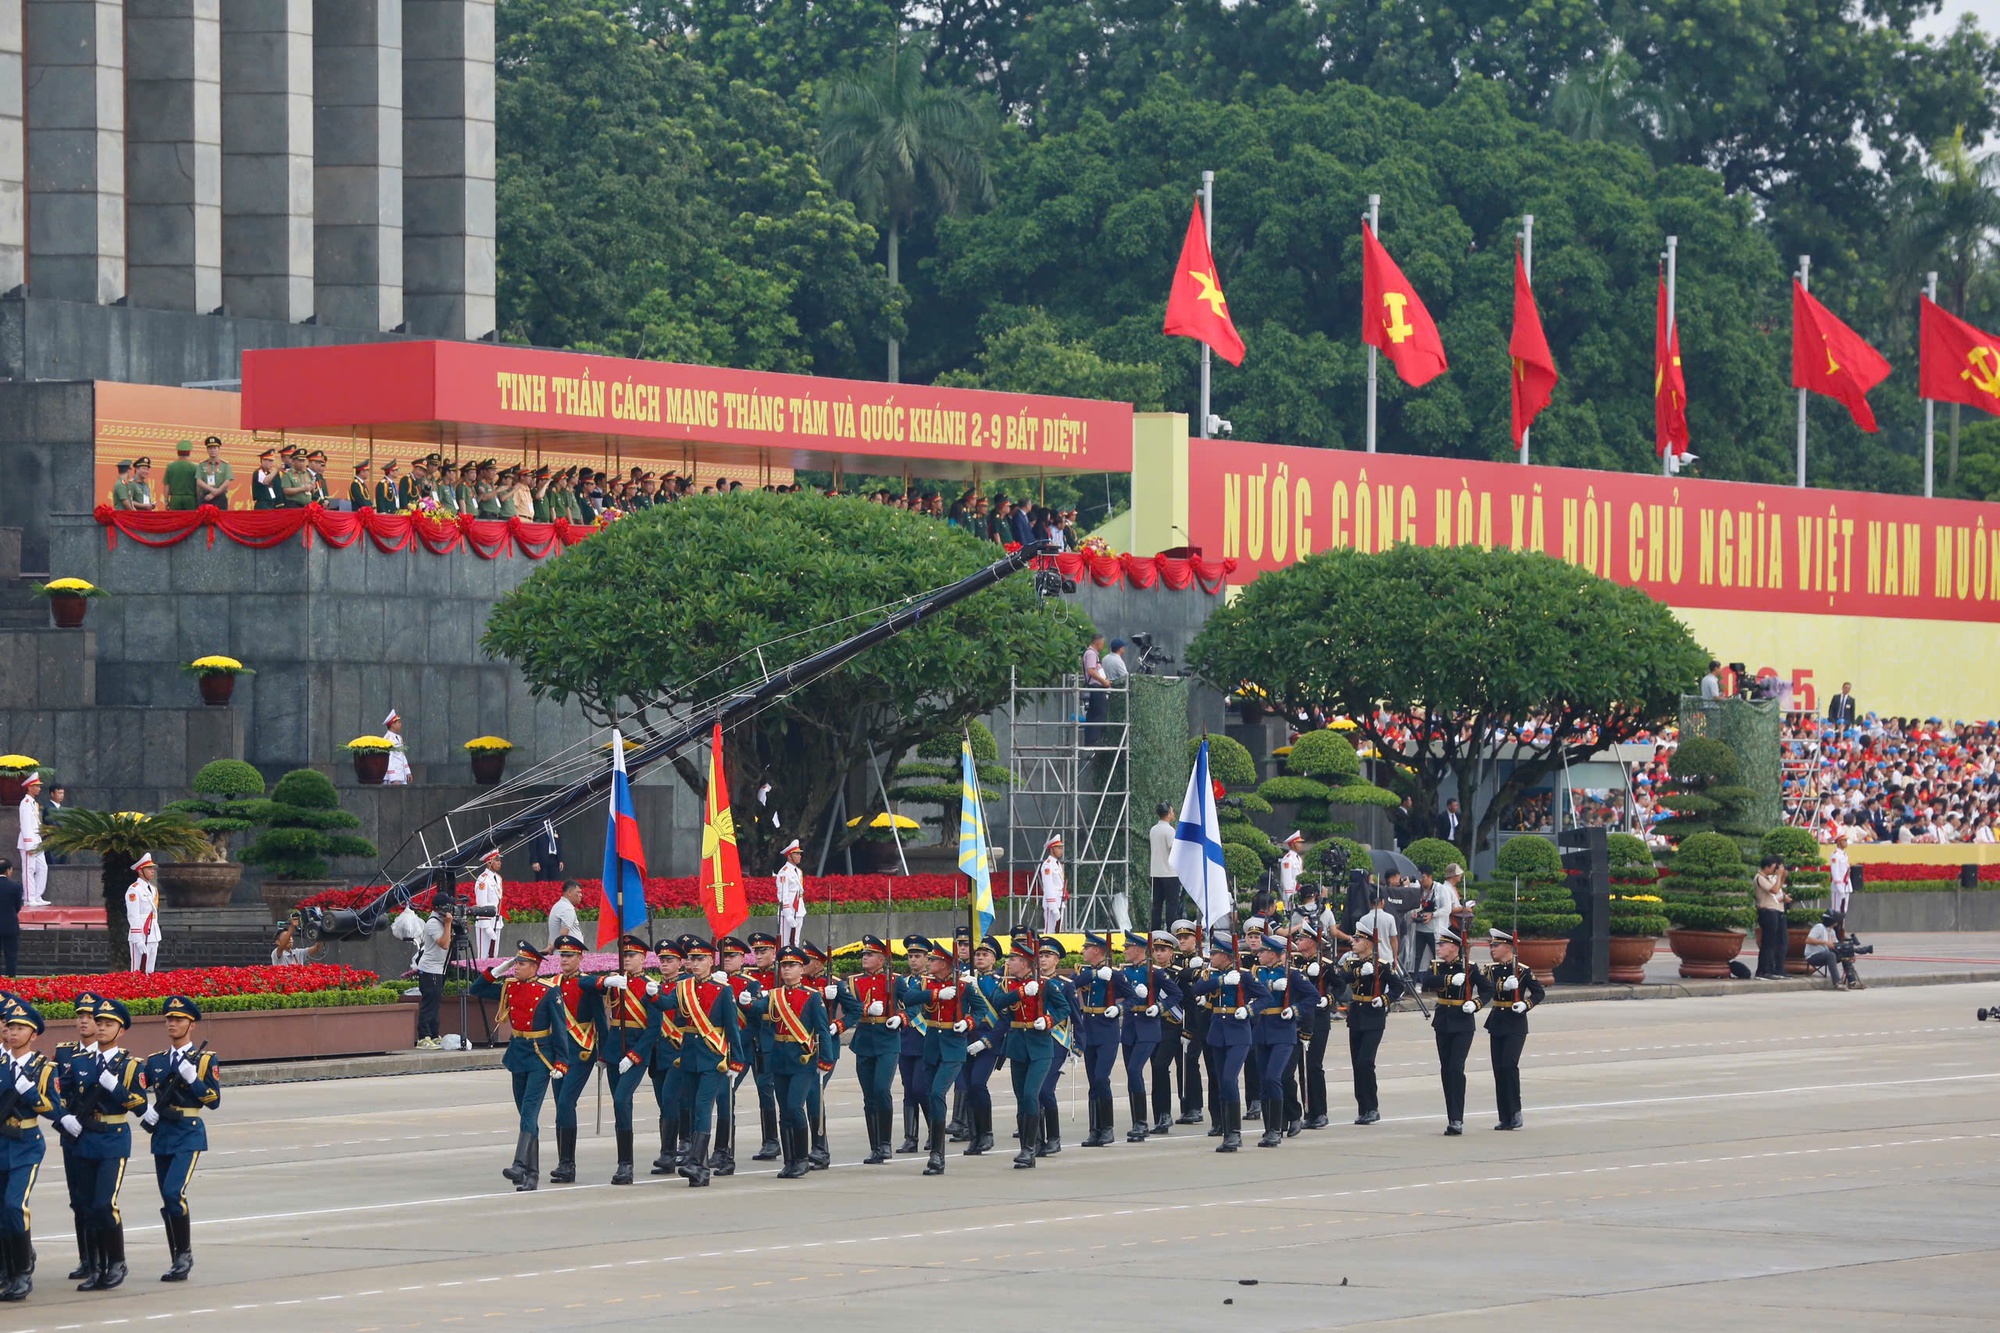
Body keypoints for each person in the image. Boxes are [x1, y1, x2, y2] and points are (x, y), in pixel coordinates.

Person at [468, 942, 571, 1191]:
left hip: (540, 1057)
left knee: (529, 1112)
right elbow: (476, 990)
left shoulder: (549, 991)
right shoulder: (510, 987)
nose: (516, 968)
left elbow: (560, 1028)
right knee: (525, 1115)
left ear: (534, 967)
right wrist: (496, 971)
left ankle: (519, 1165)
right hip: (518, 1054)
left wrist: (562, 1061)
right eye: (515, 963)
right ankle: (531, 1175)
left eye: (521, 964)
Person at [63, 996, 148, 1292]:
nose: (100, 1027)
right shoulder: (79, 1062)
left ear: (121, 1030)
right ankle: (96, 1268)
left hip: (113, 1139)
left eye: (107, 1023)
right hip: (85, 1137)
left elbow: (139, 1102)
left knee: (104, 1203)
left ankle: (117, 1263)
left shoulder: (130, 1065)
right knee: (87, 1206)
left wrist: (118, 1088)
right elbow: (66, 1095)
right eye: (99, 1022)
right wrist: (64, 1118)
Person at [141, 995, 220, 1282]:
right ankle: (176, 1257)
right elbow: (138, 1090)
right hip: (162, 1132)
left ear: (192, 1025)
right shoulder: (156, 1061)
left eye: (178, 1020)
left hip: (188, 1132)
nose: (172, 1024)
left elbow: (213, 1100)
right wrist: (145, 1109)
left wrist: (193, 1079)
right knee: (166, 1198)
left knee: (175, 1192)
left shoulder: (204, 1060)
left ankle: (184, 1254)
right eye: (169, 1019)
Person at [740, 944, 834, 1179]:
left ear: (801, 969)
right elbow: (758, 1009)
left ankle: (802, 1158)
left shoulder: (812, 997)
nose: (787, 970)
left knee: (794, 1107)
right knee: (784, 1112)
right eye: (783, 965)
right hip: (780, 1058)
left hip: (803, 1060)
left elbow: (822, 1029)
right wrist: (746, 1003)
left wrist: (826, 1060)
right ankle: (790, 1160)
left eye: (792, 965)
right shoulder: (774, 995)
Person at [655, 938, 744, 1188]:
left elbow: (732, 1028)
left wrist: (736, 1061)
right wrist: (652, 996)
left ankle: (695, 1162)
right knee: (693, 1108)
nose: (695, 963)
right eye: (692, 959)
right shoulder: (683, 988)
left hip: (713, 1058)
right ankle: (700, 1168)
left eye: (700, 959)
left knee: (703, 1107)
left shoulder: (722, 990)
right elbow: (667, 1005)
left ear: (711, 962)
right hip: (690, 1056)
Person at [989, 931, 1068, 1167]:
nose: (1008, 963)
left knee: (1032, 1094)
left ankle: (1029, 1148)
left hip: (1041, 1046)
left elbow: (1064, 1009)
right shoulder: (1006, 984)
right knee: (1021, 1098)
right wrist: (1022, 992)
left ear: (1024, 963)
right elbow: (997, 1002)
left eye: (1013, 959)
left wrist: (1049, 1020)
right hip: (1017, 1046)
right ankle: (1026, 1148)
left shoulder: (1046, 985)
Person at [0, 993, 60, 1302]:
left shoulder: (44, 1069)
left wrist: (30, 1094)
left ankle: (23, 1273)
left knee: (14, 1205)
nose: (12, 1033)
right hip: (1, 1143)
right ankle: (7, 1271)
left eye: (20, 1028)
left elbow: (54, 1110)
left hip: (26, 1144)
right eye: (9, 1027)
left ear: (33, 1034)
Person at [580, 934, 652, 1184]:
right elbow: (584, 984)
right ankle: (624, 1163)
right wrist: (606, 980)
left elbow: (653, 1029)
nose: (627, 959)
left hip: (636, 1049)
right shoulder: (615, 982)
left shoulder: (649, 986)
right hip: (614, 1049)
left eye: (631, 956)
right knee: (620, 1106)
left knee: (622, 1099)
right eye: (624, 955)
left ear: (642, 958)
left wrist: (634, 1056)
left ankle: (626, 1164)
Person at [1189, 933, 1270, 1152]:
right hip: (1218, 1032)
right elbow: (1196, 990)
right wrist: (1221, 980)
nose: (1210, 957)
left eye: (1214, 954)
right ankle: (1226, 1132)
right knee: (1221, 1083)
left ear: (1225, 956)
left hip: (1239, 1033)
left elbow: (1266, 998)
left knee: (1228, 1079)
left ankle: (1234, 1133)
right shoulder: (1210, 974)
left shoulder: (1244, 976)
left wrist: (1249, 1010)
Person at [542, 935, 602, 1185]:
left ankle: (568, 1164)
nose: (564, 960)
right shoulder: (552, 984)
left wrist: (605, 1053)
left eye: (569, 956)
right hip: (558, 1054)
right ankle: (563, 1162)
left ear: (580, 958)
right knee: (560, 1106)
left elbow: (600, 1019)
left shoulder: (588, 984)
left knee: (566, 1102)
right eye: (562, 956)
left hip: (581, 1051)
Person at [1071, 931, 1138, 1148]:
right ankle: (1094, 1130)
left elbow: (1133, 997)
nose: (1083, 951)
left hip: (1107, 1031)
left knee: (1101, 1077)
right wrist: (1092, 976)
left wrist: (1118, 1008)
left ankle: (1107, 1128)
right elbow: (1071, 986)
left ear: (1097, 951)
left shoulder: (1116, 975)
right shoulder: (1084, 972)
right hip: (1089, 1028)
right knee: (1093, 1082)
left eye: (1086, 948)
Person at [1249, 933, 1317, 1146]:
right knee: (1263, 1081)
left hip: (1283, 1032)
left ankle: (1277, 1128)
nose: (1258, 954)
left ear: (1272, 954)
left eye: (1262, 951)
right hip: (1262, 1030)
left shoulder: (1292, 974)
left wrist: (1295, 1010)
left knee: (1273, 1077)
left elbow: (1313, 997)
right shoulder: (1255, 972)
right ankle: (1269, 1127)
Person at [52, 993, 99, 1284]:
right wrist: (62, 1119)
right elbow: (54, 1091)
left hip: (97, 1131)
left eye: (90, 1017)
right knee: (78, 1200)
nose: (83, 1021)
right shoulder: (64, 1053)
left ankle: (100, 1257)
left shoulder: (112, 1055)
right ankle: (86, 1258)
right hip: (71, 1133)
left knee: (97, 1199)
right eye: (80, 1016)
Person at [1117, 931, 1181, 1142]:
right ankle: (1138, 1121)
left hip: (1147, 1028)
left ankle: (1141, 1123)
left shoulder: (1154, 972)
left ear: (1138, 949)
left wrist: (1159, 1007)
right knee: (1131, 1074)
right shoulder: (1123, 972)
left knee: (1136, 1070)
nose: (1125, 950)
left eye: (1128, 947)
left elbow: (1176, 994)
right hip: (1129, 1029)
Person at [1341, 931, 1406, 1125]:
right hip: (1356, 1016)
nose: (1353, 942)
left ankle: (1372, 1107)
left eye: (1358, 940)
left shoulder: (1382, 965)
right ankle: (1363, 1107)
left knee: (1365, 1062)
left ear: (1369, 943)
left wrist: (1385, 1000)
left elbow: (1398, 986)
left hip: (1374, 1016)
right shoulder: (1351, 964)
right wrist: (1359, 973)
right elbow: (1340, 979)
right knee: (1356, 1063)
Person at [1483, 928, 1545, 1130]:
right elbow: (1485, 988)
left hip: (1515, 1022)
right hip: (1497, 1021)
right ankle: (1504, 1116)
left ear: (1508, 947)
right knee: (1499, 1070)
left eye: (1496, 945)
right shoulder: (1491, 970)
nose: (1492, 949)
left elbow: (1538, 993)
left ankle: (1515, 1112)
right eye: (1492, 945)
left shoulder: (1523, 970)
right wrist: (1502, 987)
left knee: (1509, 1066)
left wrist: (1525, 1004)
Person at [846, 935, 901, 1165]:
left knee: (881, 1090)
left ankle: (886, 1142)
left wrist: (901, 1017)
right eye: (864, 955)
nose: (865, 958)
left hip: (887, 1040)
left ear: (881, 959)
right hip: (865, 1040)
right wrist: (867, 1008)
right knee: (869, 1096)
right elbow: (850, 1008)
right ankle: (875, 1145)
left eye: (869, 955)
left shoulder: (895, 980)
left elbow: (916, 1003)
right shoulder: (853, 982)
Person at [1427, 930, 1485, 1136]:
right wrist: (1449, 980)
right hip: (1442, 1022)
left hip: (1463, 1023)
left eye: (1443, 945)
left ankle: (1457, 1118)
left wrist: (1476, 1004)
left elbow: (1487, 990)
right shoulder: (1437, 966)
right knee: (1445, 1069)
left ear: (1453, 947)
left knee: (1455, 1068)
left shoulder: (1469, 968)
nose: (1439, 948)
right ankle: (1451, 1117)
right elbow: (1425, 981)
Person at [413, 887, 452, 1048]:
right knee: (429, 1004)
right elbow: (444, 944)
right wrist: (449, 924)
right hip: (430, 970)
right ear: (438, 908)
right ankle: (423, 1037)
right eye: (447, 907)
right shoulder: (433, 923)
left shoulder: (441, 921)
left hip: (438, 969)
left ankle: (434, 1034)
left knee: (435, 1003)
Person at [1753, 854, 1791, 979]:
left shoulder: (1767, 878)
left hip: (1773, 911)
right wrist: (1779, 875)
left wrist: (1782, 877)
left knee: (1773, 943)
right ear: (1767, 867)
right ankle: (1762, 970)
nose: (1775, 870)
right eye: (1774, 867)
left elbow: (1777, 888)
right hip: (1767, 911)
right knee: (1768, 943)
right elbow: (1774, 891)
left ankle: (1770, 969)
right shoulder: (1760, 878)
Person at [125, 853, 161, 973]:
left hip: (153, 933)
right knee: (137, 970)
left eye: (153, 868)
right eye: (149, 868)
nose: (152, 871)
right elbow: (133, 915)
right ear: (140, 871)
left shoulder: (153, 889)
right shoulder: (134, 890)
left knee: (150, 970)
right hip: (141, 933)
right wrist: (138, 939)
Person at [14, 773, 45, 910]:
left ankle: (37, 895)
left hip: (37, 840)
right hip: (29, 841)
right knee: (29, 869)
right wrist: (28, 845)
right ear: (30, 787)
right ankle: (28, 898)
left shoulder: (33, 803)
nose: (39, 788)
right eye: (37, 786)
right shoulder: (25, 803)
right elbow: (25, 824)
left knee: (42, 868)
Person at [1149, 803, 1179, 931]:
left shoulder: (1153, 829)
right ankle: (1171, 932)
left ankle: (1154, 931)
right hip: (1170, 873)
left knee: (1157, 904)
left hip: (1156, 872)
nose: (1173, 813)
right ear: (1167, 813)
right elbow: (1174, 849)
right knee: (1172, 904)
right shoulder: (1169, 830)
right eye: (1172, 811)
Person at [472, 848, 504, 960]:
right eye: (497, 860)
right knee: (483, 956)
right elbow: (481, 904)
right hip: (485, 922)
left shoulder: (498, 878)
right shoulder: (483, 880)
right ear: (489, 861)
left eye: (499, 859)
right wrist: (486, 926)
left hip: (496, 920)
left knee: (494, 956)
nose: (499, 862)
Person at [774, 838, 806, 946]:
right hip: (788, 911)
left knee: (795, 942)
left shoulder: (799, 871)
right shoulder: (784, 872)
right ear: (789, 856)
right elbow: (782, 895)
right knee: (785, 942)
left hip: (799, 909)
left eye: (799, 853)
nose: (799, 856)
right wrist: (788, 915)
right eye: (796, 854)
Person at [1038, 833, 1067, 932]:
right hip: (1052, 904)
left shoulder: (1058, 864)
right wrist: (1054, 908)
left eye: (1061, 848)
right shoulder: (1048, 865)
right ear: (1052, 849)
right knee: (1049, 932)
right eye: (1058, 848)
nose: (1061, 850)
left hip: (1060, 901)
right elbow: (1048, 887)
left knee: (1058, 933)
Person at [545, 879, 582, 950]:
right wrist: (550, 949)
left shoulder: (558, 905)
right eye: (578, 892)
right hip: (568, 954)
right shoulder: (567, 909)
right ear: (569, 892)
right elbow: (563, 935)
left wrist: (550, 947)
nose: (581, 895)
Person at [162, 440, 199, 511]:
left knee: (176, 520)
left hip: (175, 499)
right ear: (189, 453)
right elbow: (198, 486)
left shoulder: (170, 466)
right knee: (190, 520)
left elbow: (166, 485)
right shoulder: (195, 467)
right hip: (190, 499)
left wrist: (166, 501)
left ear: (177, 453)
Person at [381, 709, 411, 785]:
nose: (400, 724)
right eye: (398, 723)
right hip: (392, 778)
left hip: (401, 775)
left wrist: (408, 772)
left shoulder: (399, 738)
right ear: (392, 725)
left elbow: (402, 755)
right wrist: (393, 778)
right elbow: (388, 760)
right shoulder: (387, 739)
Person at [1277, 831, 1304, 908]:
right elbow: (1286, 880)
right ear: (1292, 844)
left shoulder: (1298, 859)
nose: (1300, 844)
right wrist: (1291, 896)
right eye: (1298, 842)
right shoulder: (1287, 859)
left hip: (1299, 892)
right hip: (1291, 894)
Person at [0, 861, 18, 975]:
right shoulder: (15, 886)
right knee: (11, 955)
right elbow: (17, 906)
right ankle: (11, 980)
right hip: (10, 925)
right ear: (7, 871)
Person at [1829, 834, 1852, 915]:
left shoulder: (1844, 855)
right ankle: (1835, 927)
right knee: (1836, 910)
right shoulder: (1835, 855)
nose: (1846, 842)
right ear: (1838, 842)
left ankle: (1841, 927)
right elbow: (1835, 872)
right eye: (1844, 840)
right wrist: (1839, 888)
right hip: (1838, 887)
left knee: (1844, 910)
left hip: (1846, 886)